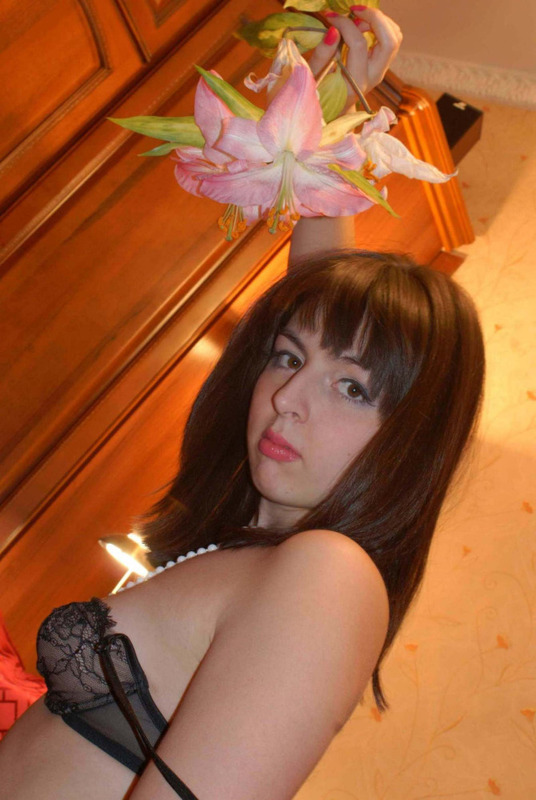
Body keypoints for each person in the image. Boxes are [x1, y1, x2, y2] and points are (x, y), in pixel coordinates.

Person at [0, 8, 485, 800]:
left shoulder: (331, 575)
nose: (288, 395)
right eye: (287, 358)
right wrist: (334, 103)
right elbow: (314, 293)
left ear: (410, 439)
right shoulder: (265, 553)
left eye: (353, 387)